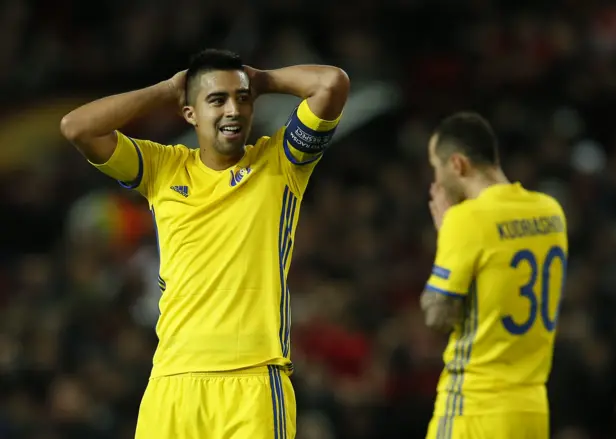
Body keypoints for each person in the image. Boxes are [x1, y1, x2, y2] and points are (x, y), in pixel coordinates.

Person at [60, 48, 349, 439]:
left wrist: (259, 79)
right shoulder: (162, 168)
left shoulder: (282, 162)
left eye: (241, 99)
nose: (233, 109)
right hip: (172, 382)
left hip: (253, 383)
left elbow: (331, 83)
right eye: (217, 99)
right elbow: (77, 127)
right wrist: (167, 89)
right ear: (190, 113)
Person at [421, 112, 568, 439]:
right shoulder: (551, 212)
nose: (436, 179)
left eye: (436, 166)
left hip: (474, 408)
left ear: (458, 164)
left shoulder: (466, 221)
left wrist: (448, 238)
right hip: (531, 409)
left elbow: (437, 315)